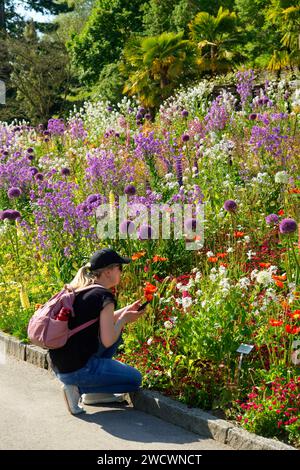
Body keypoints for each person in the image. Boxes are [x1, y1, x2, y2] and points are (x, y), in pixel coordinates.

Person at [49, 248, 144, 415]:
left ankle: (94, 394)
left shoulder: (83, 289)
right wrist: (123, 320)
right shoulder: (104, 297)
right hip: (78, 370)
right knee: (135, 379)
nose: (121, 272)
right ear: (108, 271)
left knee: (113, 331)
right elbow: (108, 341)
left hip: (61, 364)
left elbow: (98, 321)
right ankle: (78, 389)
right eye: (119, 268)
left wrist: (125, 310)